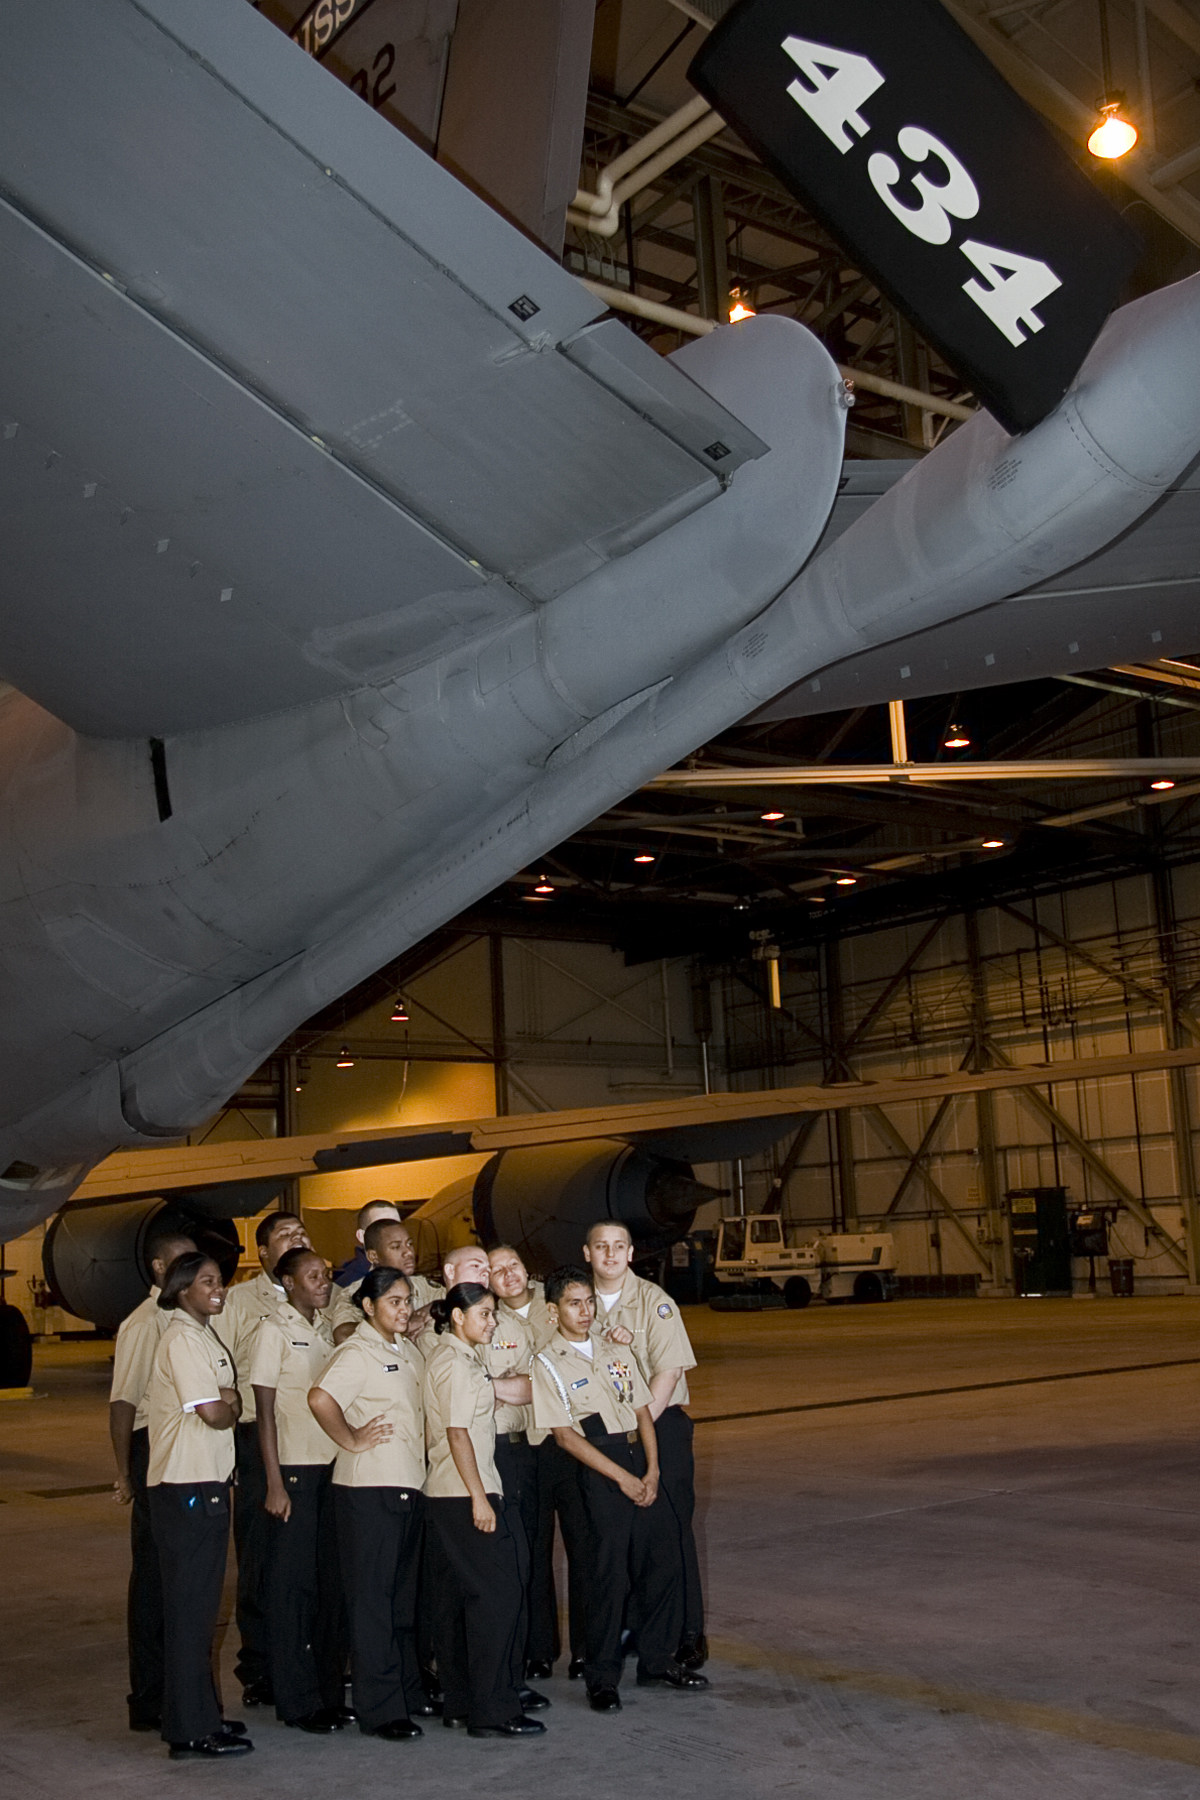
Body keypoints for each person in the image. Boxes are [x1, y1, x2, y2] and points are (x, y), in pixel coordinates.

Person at [531, 1266, 707, 1713]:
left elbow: (644, 1412)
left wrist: (651, 1471)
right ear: (553, 1312)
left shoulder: (616, 1349)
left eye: (589, 1301)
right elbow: (566, 1437)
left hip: (639, 1460)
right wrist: (624, 1479)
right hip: (599, 1469)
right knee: (607, 1578)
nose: (585, 1311)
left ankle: (657, 1659)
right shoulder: (547, 1362)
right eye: (574, 1303)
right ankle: (602, 1677)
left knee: (662, 1562)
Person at [309, 1267, 428, 1741]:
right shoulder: (357, 1352)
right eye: (393, 1302)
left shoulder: (406, 1350)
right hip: (368, 1490)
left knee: (400, 1600)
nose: (402, 1309)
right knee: (373, 1603)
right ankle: (380, 1710)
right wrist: (352, 1439)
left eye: (406, 1300)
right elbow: (320, 1398)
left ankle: (405, 1692)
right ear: (367, 1307)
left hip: (407, 1485)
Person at [422, 1282, 545, 1739]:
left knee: (459, 1601)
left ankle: (460, 1701)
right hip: (464, 1493)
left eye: (494, 1314)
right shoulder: (455, 1363)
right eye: (485, 1314)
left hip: (449, 1492)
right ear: (457, 1316)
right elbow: (458, 1433)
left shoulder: (459, 1357)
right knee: (497, 1600)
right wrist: (479, 1497)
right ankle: (493, 1710)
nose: (492, 1322)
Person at [585, 1220, 707, 1669]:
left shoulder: (655, 1303)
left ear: (631, 1253)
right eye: (602, 1247)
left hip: (659, 1424)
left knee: (671, 1533)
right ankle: (637, 1625)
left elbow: (668, 1372)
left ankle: (688, 1633)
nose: (611, 1255)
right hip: (612, 1435)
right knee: (628, 1538)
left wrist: (637, 1428)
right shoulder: (580, 1305)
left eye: (619, 1247)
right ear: (587, 1253)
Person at [145, 1252, 252, 1759]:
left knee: (202, 1608)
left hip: (207, 1482)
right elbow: (214, 1412)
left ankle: (201, 1716)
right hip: (185, 1486)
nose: (219, 1288)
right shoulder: (183, 1339)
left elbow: (226, 1398)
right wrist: (228, 1402)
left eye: (220, 1281)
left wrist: (227, 1398)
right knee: (191, 1612)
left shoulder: (203, 1334)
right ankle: (189, 1730)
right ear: (182, 1288)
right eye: (207, 1281)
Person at [250, 1246, 346, 1734]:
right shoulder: (274, 1331)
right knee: (293, 1589)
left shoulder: (325, 1331)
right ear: (288, 1283)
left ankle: (327, 1692)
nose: (323, 1282)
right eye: (312, 1276)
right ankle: (296, 1698)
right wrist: (273, 1482)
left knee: (329, 1586)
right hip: (293, 1473)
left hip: (331, 1471)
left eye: (325, 1274)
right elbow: (263, 1412)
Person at [109, 1225, 197, 1733]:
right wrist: (124, 1472)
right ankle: (148, 1695)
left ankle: (171, 1690)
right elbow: (123, 1403)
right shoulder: (145, 1323)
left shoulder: (183, 1318)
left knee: (177, 1578)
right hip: (151, 1447)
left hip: (179, 1446)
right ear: (161, 1268)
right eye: (184, 1262)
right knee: (153, 1579)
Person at [222, 1209, 311, 1704]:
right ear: (263, 1253)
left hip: (314, 1442)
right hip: (261, 1439)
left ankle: (305, 1657)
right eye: (285, 1234)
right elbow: (223, 1367)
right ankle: (259, 1668)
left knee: (305, 1560)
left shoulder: (326, 1291)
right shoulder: (238, 1301)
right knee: (260, 1556)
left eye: (302, 1232)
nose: (298, 1238)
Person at [488, 1243, 581, 1682]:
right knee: (533, 1550)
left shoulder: (557, 1299)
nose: (508, 1275)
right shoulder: (489, 1319)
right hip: (530, 1446)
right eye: (496, 1270)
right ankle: (538, 1648)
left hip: (578, 1443)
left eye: (514, 1265)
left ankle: (588, 1650)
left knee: (587, 1551)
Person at [328, 1217, 438, 1345]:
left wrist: (433, 1308)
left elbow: (459, 1303)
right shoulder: (356, 1292)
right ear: (373, 1256)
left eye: (410, 1244)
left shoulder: (423, 1285)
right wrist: (400, 1327)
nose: (408, 1252)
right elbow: (343, 1335)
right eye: (396, 1247)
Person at [332, 1199, 402, 1288]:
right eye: (381, 1228)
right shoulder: (347, 1286)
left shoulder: (407, 1275)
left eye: (398, 1227)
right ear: (362, 1236)